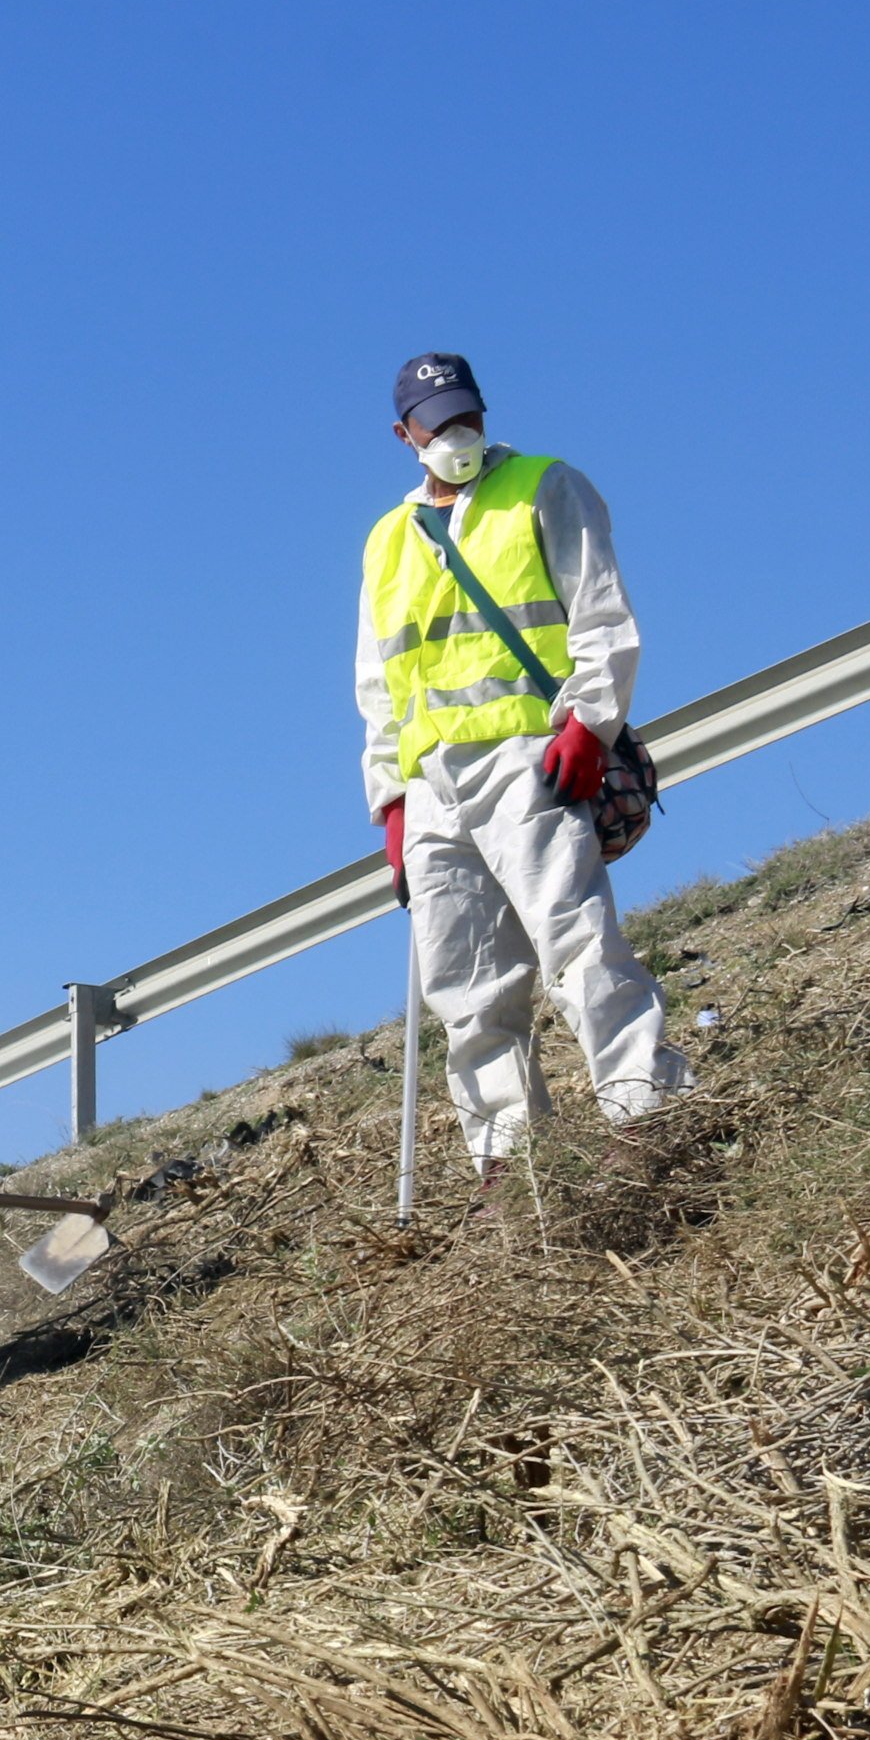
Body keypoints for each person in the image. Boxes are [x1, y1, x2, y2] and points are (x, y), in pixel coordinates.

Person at [357, 351, 690, 1191]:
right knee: (463, 985)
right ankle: (509, 1164)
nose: (456, 436)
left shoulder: (545, 486)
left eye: (466, 416)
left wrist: (589, 721)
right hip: (434, 784)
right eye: (437, 425)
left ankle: (646, 1109)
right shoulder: (387, 542)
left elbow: (601, 613)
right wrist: (390, 799)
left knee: (575, 942)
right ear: (405, 436)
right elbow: (380, 686)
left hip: (527, 756)